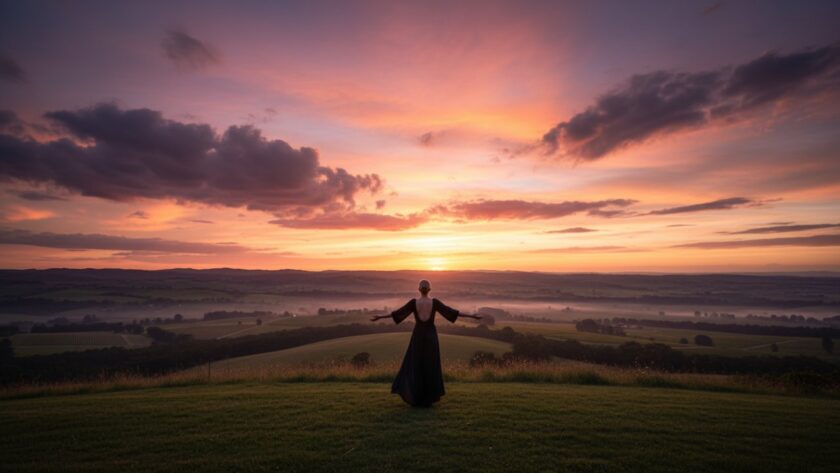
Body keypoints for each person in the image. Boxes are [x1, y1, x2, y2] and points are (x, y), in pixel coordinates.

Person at [370, 279, 481, 407]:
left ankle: (416, 398)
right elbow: (452, 312)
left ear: (419, 290)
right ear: (429, 290)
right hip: (431, 336)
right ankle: (428, 399)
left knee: (415, 365)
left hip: (417, 335)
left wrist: (379, 317)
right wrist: (472, 316)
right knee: (430, 365)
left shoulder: (414, 303)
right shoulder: (434, 302)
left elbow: (397, 313)